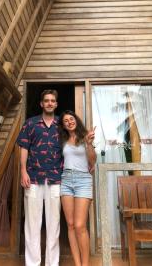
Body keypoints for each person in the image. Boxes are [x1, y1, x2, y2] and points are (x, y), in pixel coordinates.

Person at [16, 89, 63, 266]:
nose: (50, 103)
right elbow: (24, 148)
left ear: (56, 104)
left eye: (53, 101)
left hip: (56, 179)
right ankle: (32, 263)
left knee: (54, 225)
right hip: (33, 179)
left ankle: (52, 263)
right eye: (46, 100)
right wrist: (23, 171)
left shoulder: (62, 124)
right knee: (32, 225)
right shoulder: (30, 123)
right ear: (41, 104)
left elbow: (70, 147)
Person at [58, 110, 96, 266]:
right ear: (63, 125)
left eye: (71, 119)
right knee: (71, 225)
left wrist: (88, 143)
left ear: (76, 120)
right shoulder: (63, 140)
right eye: (65, 120)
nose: (69, 122)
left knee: (80, 225)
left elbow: (93, 162)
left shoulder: (85, 136)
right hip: (66, 180)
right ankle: (78, 263)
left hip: (83, 180)